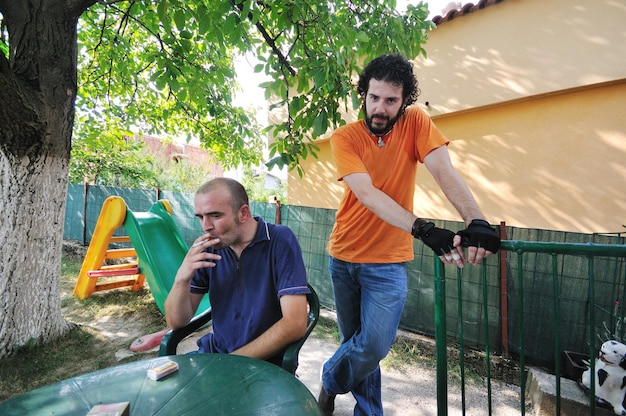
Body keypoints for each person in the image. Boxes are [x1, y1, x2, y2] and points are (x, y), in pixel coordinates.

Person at [319, 54, 501, 415]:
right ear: (364, 95)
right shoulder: (346, 138)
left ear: (405, 102)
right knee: (355, 344)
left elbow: (442, 168)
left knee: (371, 346)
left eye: (390, 100)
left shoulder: (416, 122)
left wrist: (476, 219)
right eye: (373, 98)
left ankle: (328, 383)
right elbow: (367, 193)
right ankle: (369, 412)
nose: (380, 108)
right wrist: (424, 229)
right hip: (344, 257)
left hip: (387, 263)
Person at [164, 178, 310, 367]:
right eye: (200, 217)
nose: (205, 226)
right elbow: (176, 322)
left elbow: (295, 323)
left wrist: (231, 362)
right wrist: (181, 279)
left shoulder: (279, 241)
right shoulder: (209, 248)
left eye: (215, 216)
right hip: (216, 355)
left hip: (265, 364)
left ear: (243, 213)